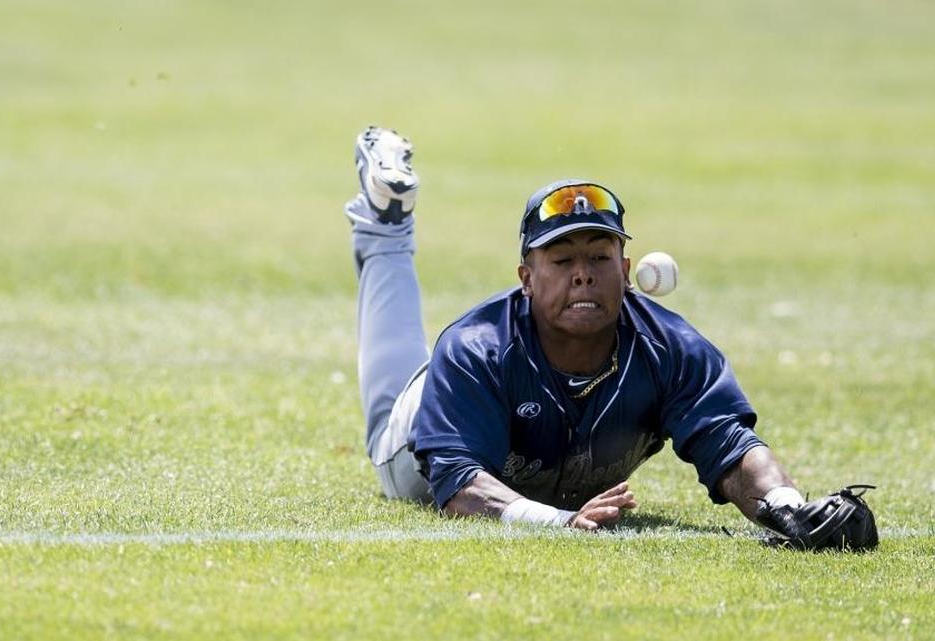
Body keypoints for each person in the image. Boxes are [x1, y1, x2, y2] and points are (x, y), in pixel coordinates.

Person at [344, 125, 813, 536]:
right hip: (432, 419)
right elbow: (458, 485)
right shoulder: (475, 350)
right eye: (563, 259)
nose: (583, 274)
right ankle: (388, 223)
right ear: (526, 278)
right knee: (387, 409)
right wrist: (559, 521)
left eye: (598, 257)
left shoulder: (672, 350)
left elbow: (731, 445)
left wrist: (790, 507)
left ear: (626, 271)